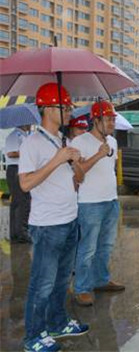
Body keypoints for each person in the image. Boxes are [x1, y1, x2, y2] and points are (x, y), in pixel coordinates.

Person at [19, 82, 88, 352]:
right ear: (48, 108)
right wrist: (57, 160)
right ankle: (33, 336)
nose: (70, 111)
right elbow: (25, 184)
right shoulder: (32, 143)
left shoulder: (64, 141)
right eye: (65, 106)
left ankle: (58, 323)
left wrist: (75, 164)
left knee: (61, 280)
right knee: (42, 283)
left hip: (70, 219)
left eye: (69, 106)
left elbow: (79, 179)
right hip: (47, 225)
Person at [71, 100, 124, 307]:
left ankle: (101, 280)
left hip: (111, 200)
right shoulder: (80, 142)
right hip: (90, 203)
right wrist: (98, 155)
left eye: (113, 119)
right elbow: (78, 173)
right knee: (87, 248)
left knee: (106, 245)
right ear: (96, 120)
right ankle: (82, 288)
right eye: (108, 119)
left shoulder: (113, 142)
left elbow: (110, 169)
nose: (112, 123)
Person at [4, 124, 32, 243]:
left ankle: (16, 233)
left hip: (21, 169)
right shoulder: (15, 135)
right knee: (22, 202)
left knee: (19, 202)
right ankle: (22, 233)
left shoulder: (24, 135)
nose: (31, 124)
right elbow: (11, 153)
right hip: (15, 169)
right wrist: (27, 152)